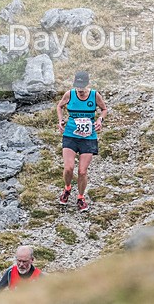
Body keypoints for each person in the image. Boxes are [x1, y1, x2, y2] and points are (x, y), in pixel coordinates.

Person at [56, 70, 107, 212]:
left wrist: (100, 120)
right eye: (78, 86)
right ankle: (67, 189)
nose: (80, 90)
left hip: (88, 137)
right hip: (70, 135)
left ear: (87, 84)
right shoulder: (69, 94)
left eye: (82, 86)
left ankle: (80, 197)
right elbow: (59, 106)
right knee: (69, 168)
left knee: (82, 171)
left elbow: (104, 109)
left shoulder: (94, 95)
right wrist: (60, 120)